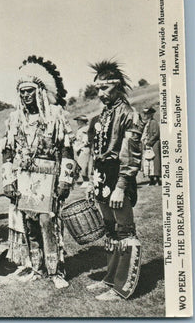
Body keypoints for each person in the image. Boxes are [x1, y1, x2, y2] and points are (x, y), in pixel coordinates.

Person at [0, 56, 76, 289]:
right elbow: (7, 152)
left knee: (47, 222)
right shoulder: (15, 119)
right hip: (24, 179)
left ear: (40, 91)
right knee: (29, 222)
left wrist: (65, 180)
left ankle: (56, 270)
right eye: (21, 92)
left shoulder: (54, 115)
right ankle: (37, 267)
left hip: (49, 178)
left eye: (29, 91)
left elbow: (67, 149)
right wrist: (8, 180)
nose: (25, 96)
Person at [85, 60, 143, 301]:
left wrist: (120, 187)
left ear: (118, 88)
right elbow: (93, 152)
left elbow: (130, 157)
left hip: (118, 177)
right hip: (101, 178)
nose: (100, 94)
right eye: (97, 89)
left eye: (105, 89)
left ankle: (122, 287)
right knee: (110, 230)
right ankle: (110, 278)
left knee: (124, 230)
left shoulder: (129, 115)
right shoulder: (101, 116)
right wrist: (91, 181)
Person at [141, 106, 161, 185]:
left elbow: (156, 134)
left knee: (154, 162)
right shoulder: (147, 123)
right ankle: (152, 180)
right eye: (145, 114)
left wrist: (149, 142)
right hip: (148, 144)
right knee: (148, 162)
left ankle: (157, 180)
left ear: (151, 114)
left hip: (153, 144)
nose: (145, 115)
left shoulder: (153, 122)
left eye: (147, 114)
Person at [73, 115, 93, 183]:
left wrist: (78, 147)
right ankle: (84, 181)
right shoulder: (80, 129)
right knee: (80, 166)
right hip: (80, 149)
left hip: (84, 149)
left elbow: (86, 141)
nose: (77, 122)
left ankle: (86, 181)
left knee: (83, 167)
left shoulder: (86, 129)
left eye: (79, 121)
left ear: (82, 121)